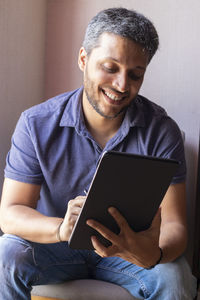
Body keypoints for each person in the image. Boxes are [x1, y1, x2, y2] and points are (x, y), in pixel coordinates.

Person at [0, 7, 197, 300]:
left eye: (135, 74)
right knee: (7, 255)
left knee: (175, 277)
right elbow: (11, 214)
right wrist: (61, 229)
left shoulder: (162, 130)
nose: (121, 85)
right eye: (110, 67)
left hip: (127, 254)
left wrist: (154, 253)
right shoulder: (35, 123)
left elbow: (176, 224)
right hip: (55, 248)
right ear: (83, 59)